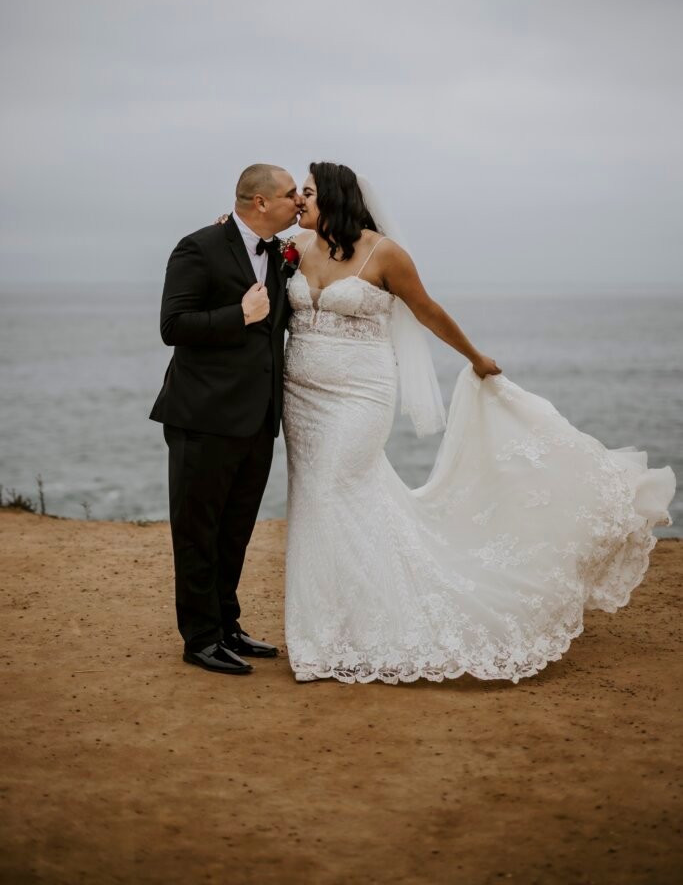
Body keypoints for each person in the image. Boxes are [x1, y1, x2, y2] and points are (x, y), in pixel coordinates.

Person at [282, 161, 675, 684]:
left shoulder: (385, 253)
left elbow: (427, 311)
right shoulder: (293, 247)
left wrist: (474, 356)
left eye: (304, 193)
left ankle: (362, 630)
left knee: (334, 489)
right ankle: (325, 629)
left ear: (331, 197)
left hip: (359, 395)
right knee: (313, 500)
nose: (296, 202)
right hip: (301, 399)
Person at [150, 163, 300, 675]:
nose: (298, 202)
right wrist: (239, 316)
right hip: (204, 415)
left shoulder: (282, 255)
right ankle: (200, 638)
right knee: (198, 531)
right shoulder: (198, 247)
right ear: (259, 202)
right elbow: (174, 325)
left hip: (258, 419)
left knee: (234, 530)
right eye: (289, 195)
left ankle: (227, 624)